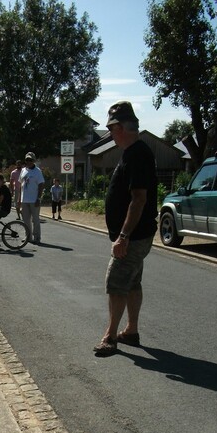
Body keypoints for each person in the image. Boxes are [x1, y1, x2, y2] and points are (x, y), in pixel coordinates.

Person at [93, 101, 158, 357]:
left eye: (111, 129)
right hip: (138, 235)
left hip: (132, 237)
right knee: (132, 282)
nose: (109, 134)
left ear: (119, 127)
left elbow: (138, 198)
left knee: (116, 283)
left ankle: (110, 336)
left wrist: (123, 236)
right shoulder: (134, 151)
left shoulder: (137, 154)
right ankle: (131, 330)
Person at [19, 152, 45, 244]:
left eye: (30, 160)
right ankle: (28, 236)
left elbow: (41, 184)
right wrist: (19, 199)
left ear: (33, 160)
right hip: (24, 199)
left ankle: (37, 237)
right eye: (27, 160)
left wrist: (38, 198)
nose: (28, 162)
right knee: (26, 220)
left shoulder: (37, 171)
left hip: (34, 200)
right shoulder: (23, 170)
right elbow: (20, 184)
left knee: (35, 220)